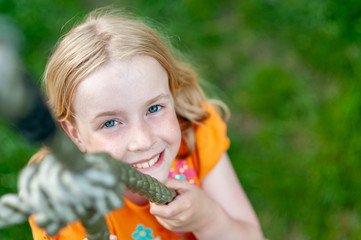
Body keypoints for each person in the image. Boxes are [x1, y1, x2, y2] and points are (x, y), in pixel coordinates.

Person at [29, 8, 264, 240]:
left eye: (154, 109)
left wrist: (207, 217)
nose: (143, 141)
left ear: (172, 94)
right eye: (110, 123)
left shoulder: (196, 132)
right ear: (75, 134)